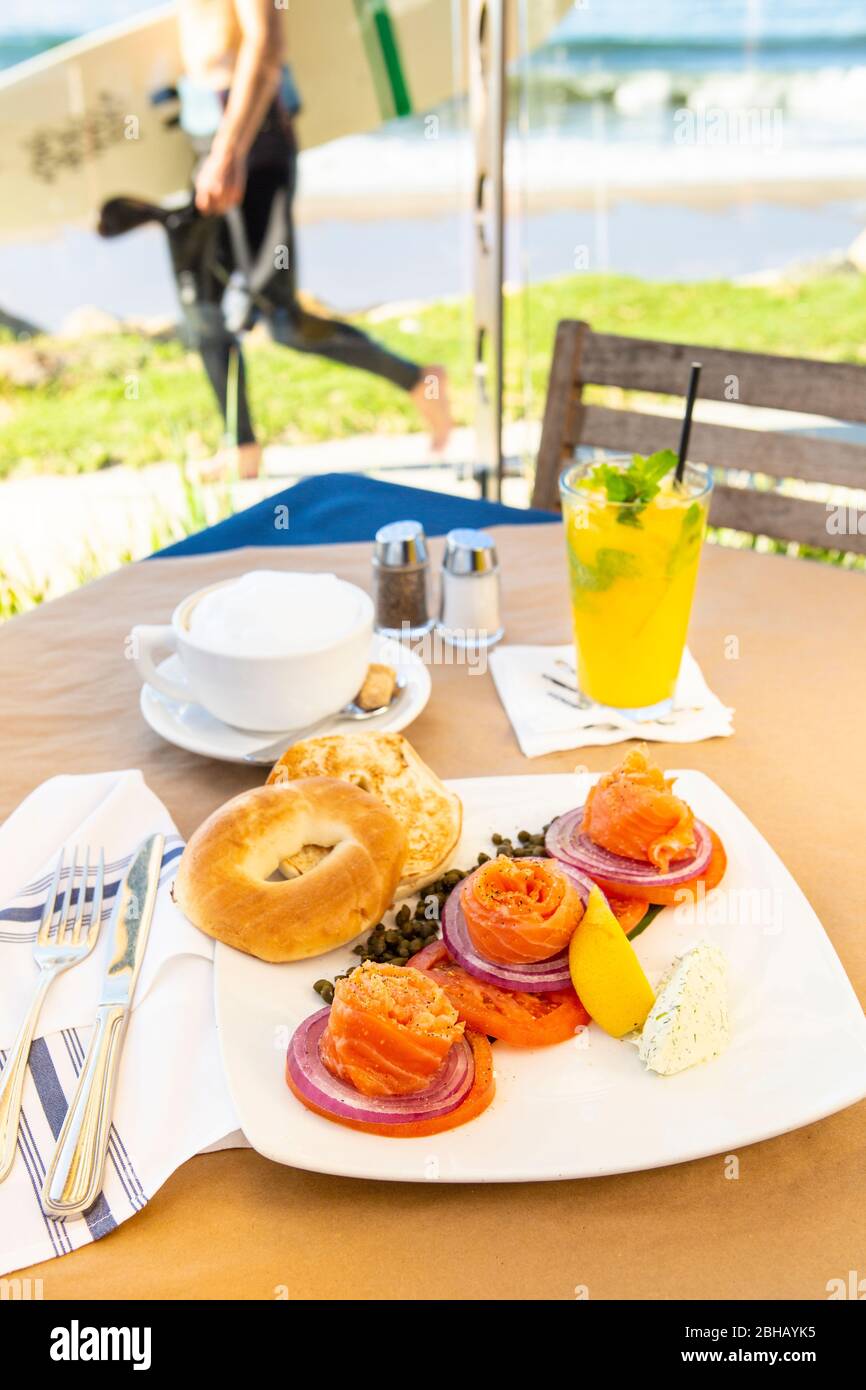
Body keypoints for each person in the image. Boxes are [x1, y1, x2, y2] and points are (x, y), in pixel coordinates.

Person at [174, 0, 452, 477]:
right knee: (201, 303)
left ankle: (419, 379)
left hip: (249, 143)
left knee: (282, 319)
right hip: (204, 134)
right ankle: (240, 446)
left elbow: (267, 47)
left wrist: (228, 149)